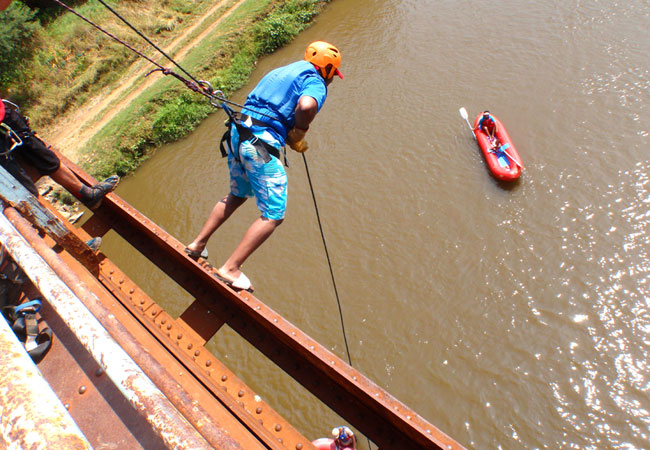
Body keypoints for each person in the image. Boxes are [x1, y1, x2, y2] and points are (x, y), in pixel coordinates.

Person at [185, 41, 343, 292]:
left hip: (239, 135)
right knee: (273, 213)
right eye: (333, 73)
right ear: (326, 68)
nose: (332, 79)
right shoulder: (315, 81)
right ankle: (231, 269)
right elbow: (306, 105)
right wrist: (299, 133)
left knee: (237, 194)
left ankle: (197, 244)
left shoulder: (281, 71)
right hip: (260, 145)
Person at [0, 98, 119, 209]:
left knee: (44, 160)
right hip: (5, 122)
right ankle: (42, 218)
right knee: (21, 182)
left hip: (6, 121)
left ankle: (87, 195)